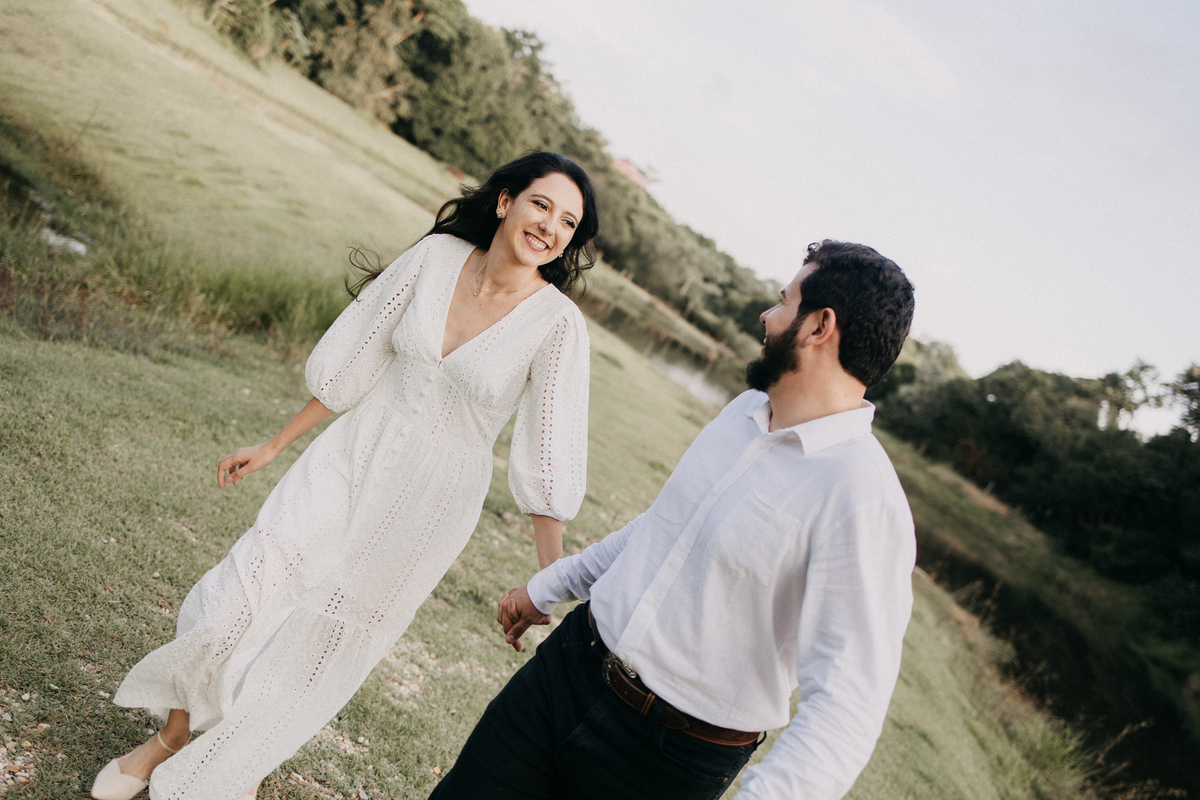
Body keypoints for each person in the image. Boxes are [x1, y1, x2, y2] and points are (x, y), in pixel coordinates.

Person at [89, 152, 599, 800]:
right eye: (541, 205)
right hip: (349, 457)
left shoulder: (557, 325)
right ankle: (171, 736)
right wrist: (275, 444)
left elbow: (547, 454)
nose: (550, 226)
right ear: (505, 202)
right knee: (240, 594)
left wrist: (549, 579)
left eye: (568, 222)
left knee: (320, 646)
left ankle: (228, 767)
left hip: (428, 507)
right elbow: (359, 356)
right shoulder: (436, 257)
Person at [429, 240, 917, 800]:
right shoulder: (743, 412)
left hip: (667, 762)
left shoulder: (863, 498)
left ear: (818, 326)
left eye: (784, 302)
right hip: (567, 671)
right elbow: (663, 529)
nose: (767, 315)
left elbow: (847, 707)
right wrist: (549, 588)